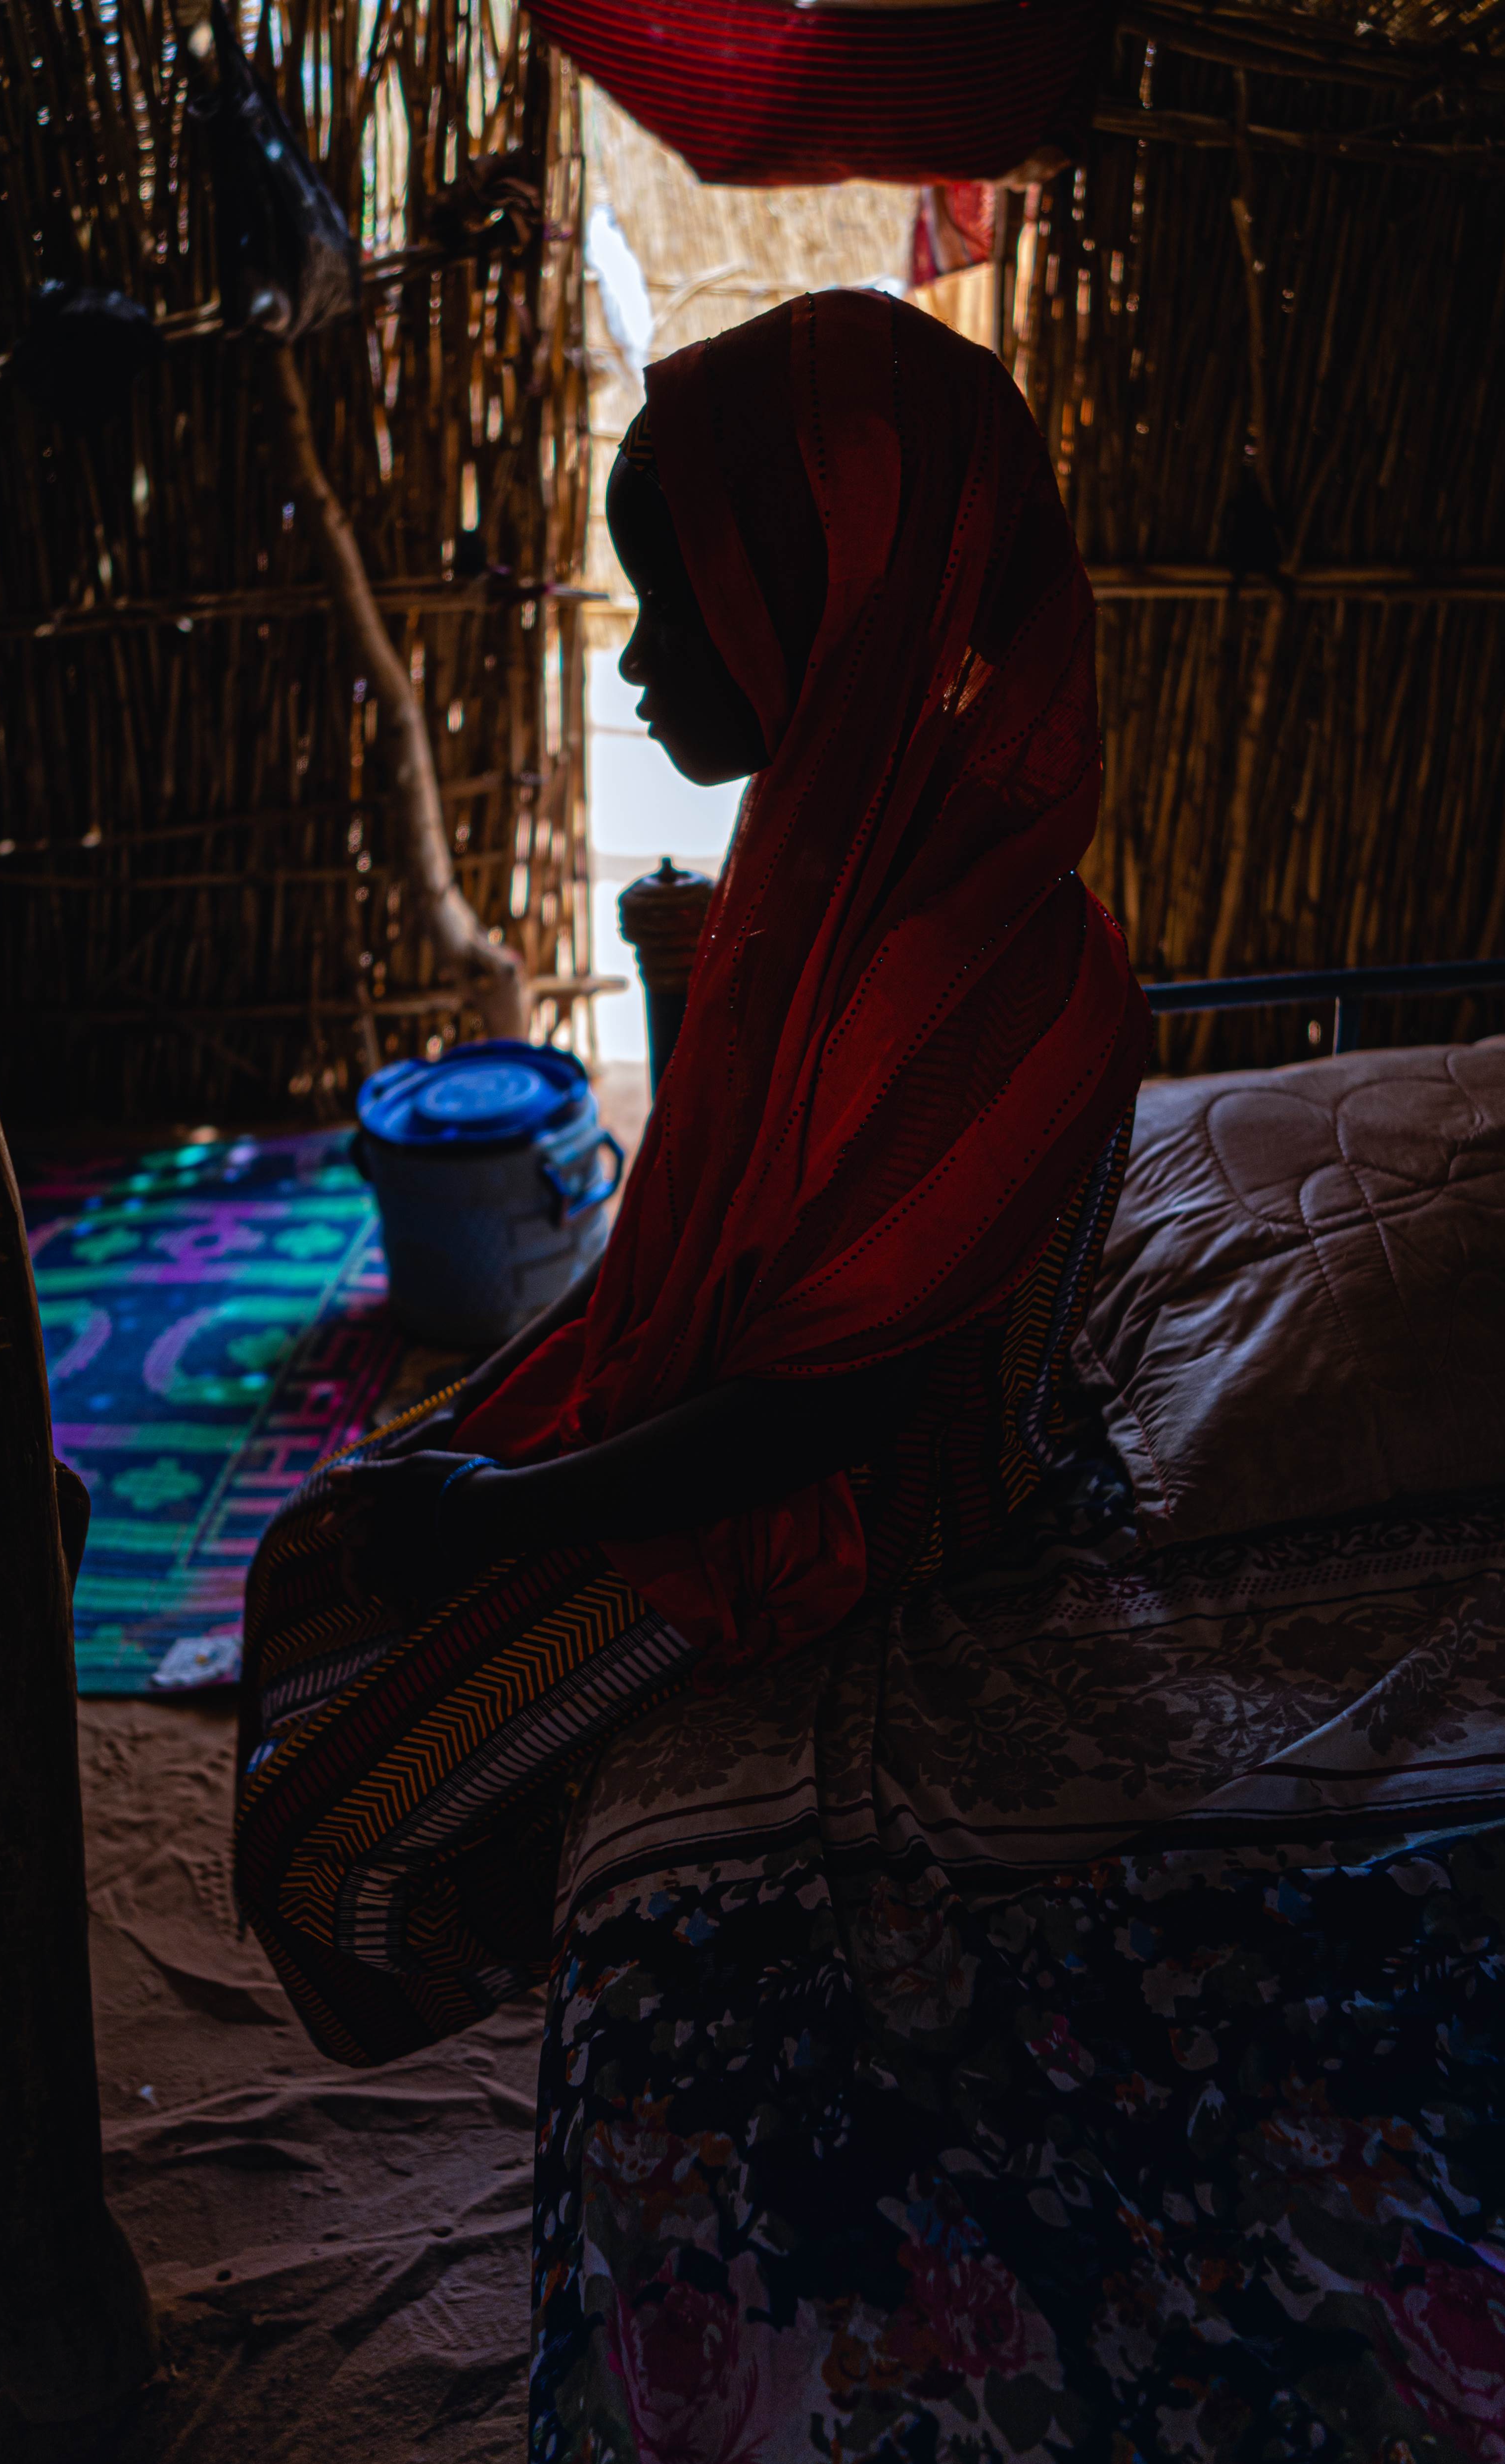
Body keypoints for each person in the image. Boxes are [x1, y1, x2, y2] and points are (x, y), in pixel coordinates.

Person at [234, 289, 1151, 2067]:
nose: (641, 661)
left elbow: (830, 1412)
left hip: (874, 1503)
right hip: (759, 1399)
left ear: (835, 613)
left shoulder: (1005, 984)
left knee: (329, 1848)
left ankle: (608, 1986)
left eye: (680, 605)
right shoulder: (824, 886)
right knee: (314, 1563)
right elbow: (706, 1241)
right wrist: (500, 1442)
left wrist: (505, 1509)